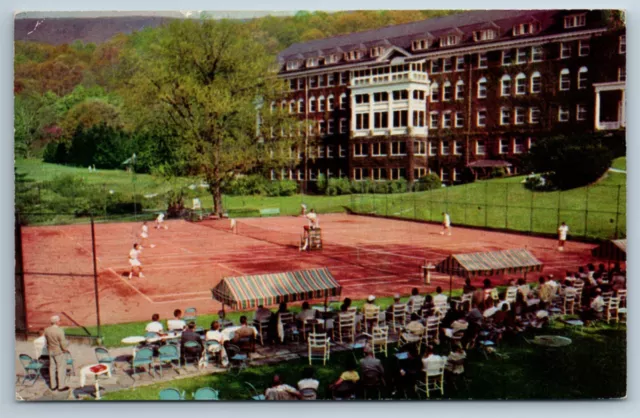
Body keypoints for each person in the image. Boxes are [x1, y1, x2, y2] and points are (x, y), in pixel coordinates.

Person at [44, 315, 70, 391]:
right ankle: (61, 386)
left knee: (52, 368)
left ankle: (53, 385)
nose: (60, 321)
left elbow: (47, 341)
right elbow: (63, 343)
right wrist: (65, 349)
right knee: (61, 368)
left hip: (50, 351)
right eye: (59, 320)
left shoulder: (47, 330)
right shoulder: (60, 331)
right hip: (58, 351)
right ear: (56, 322)